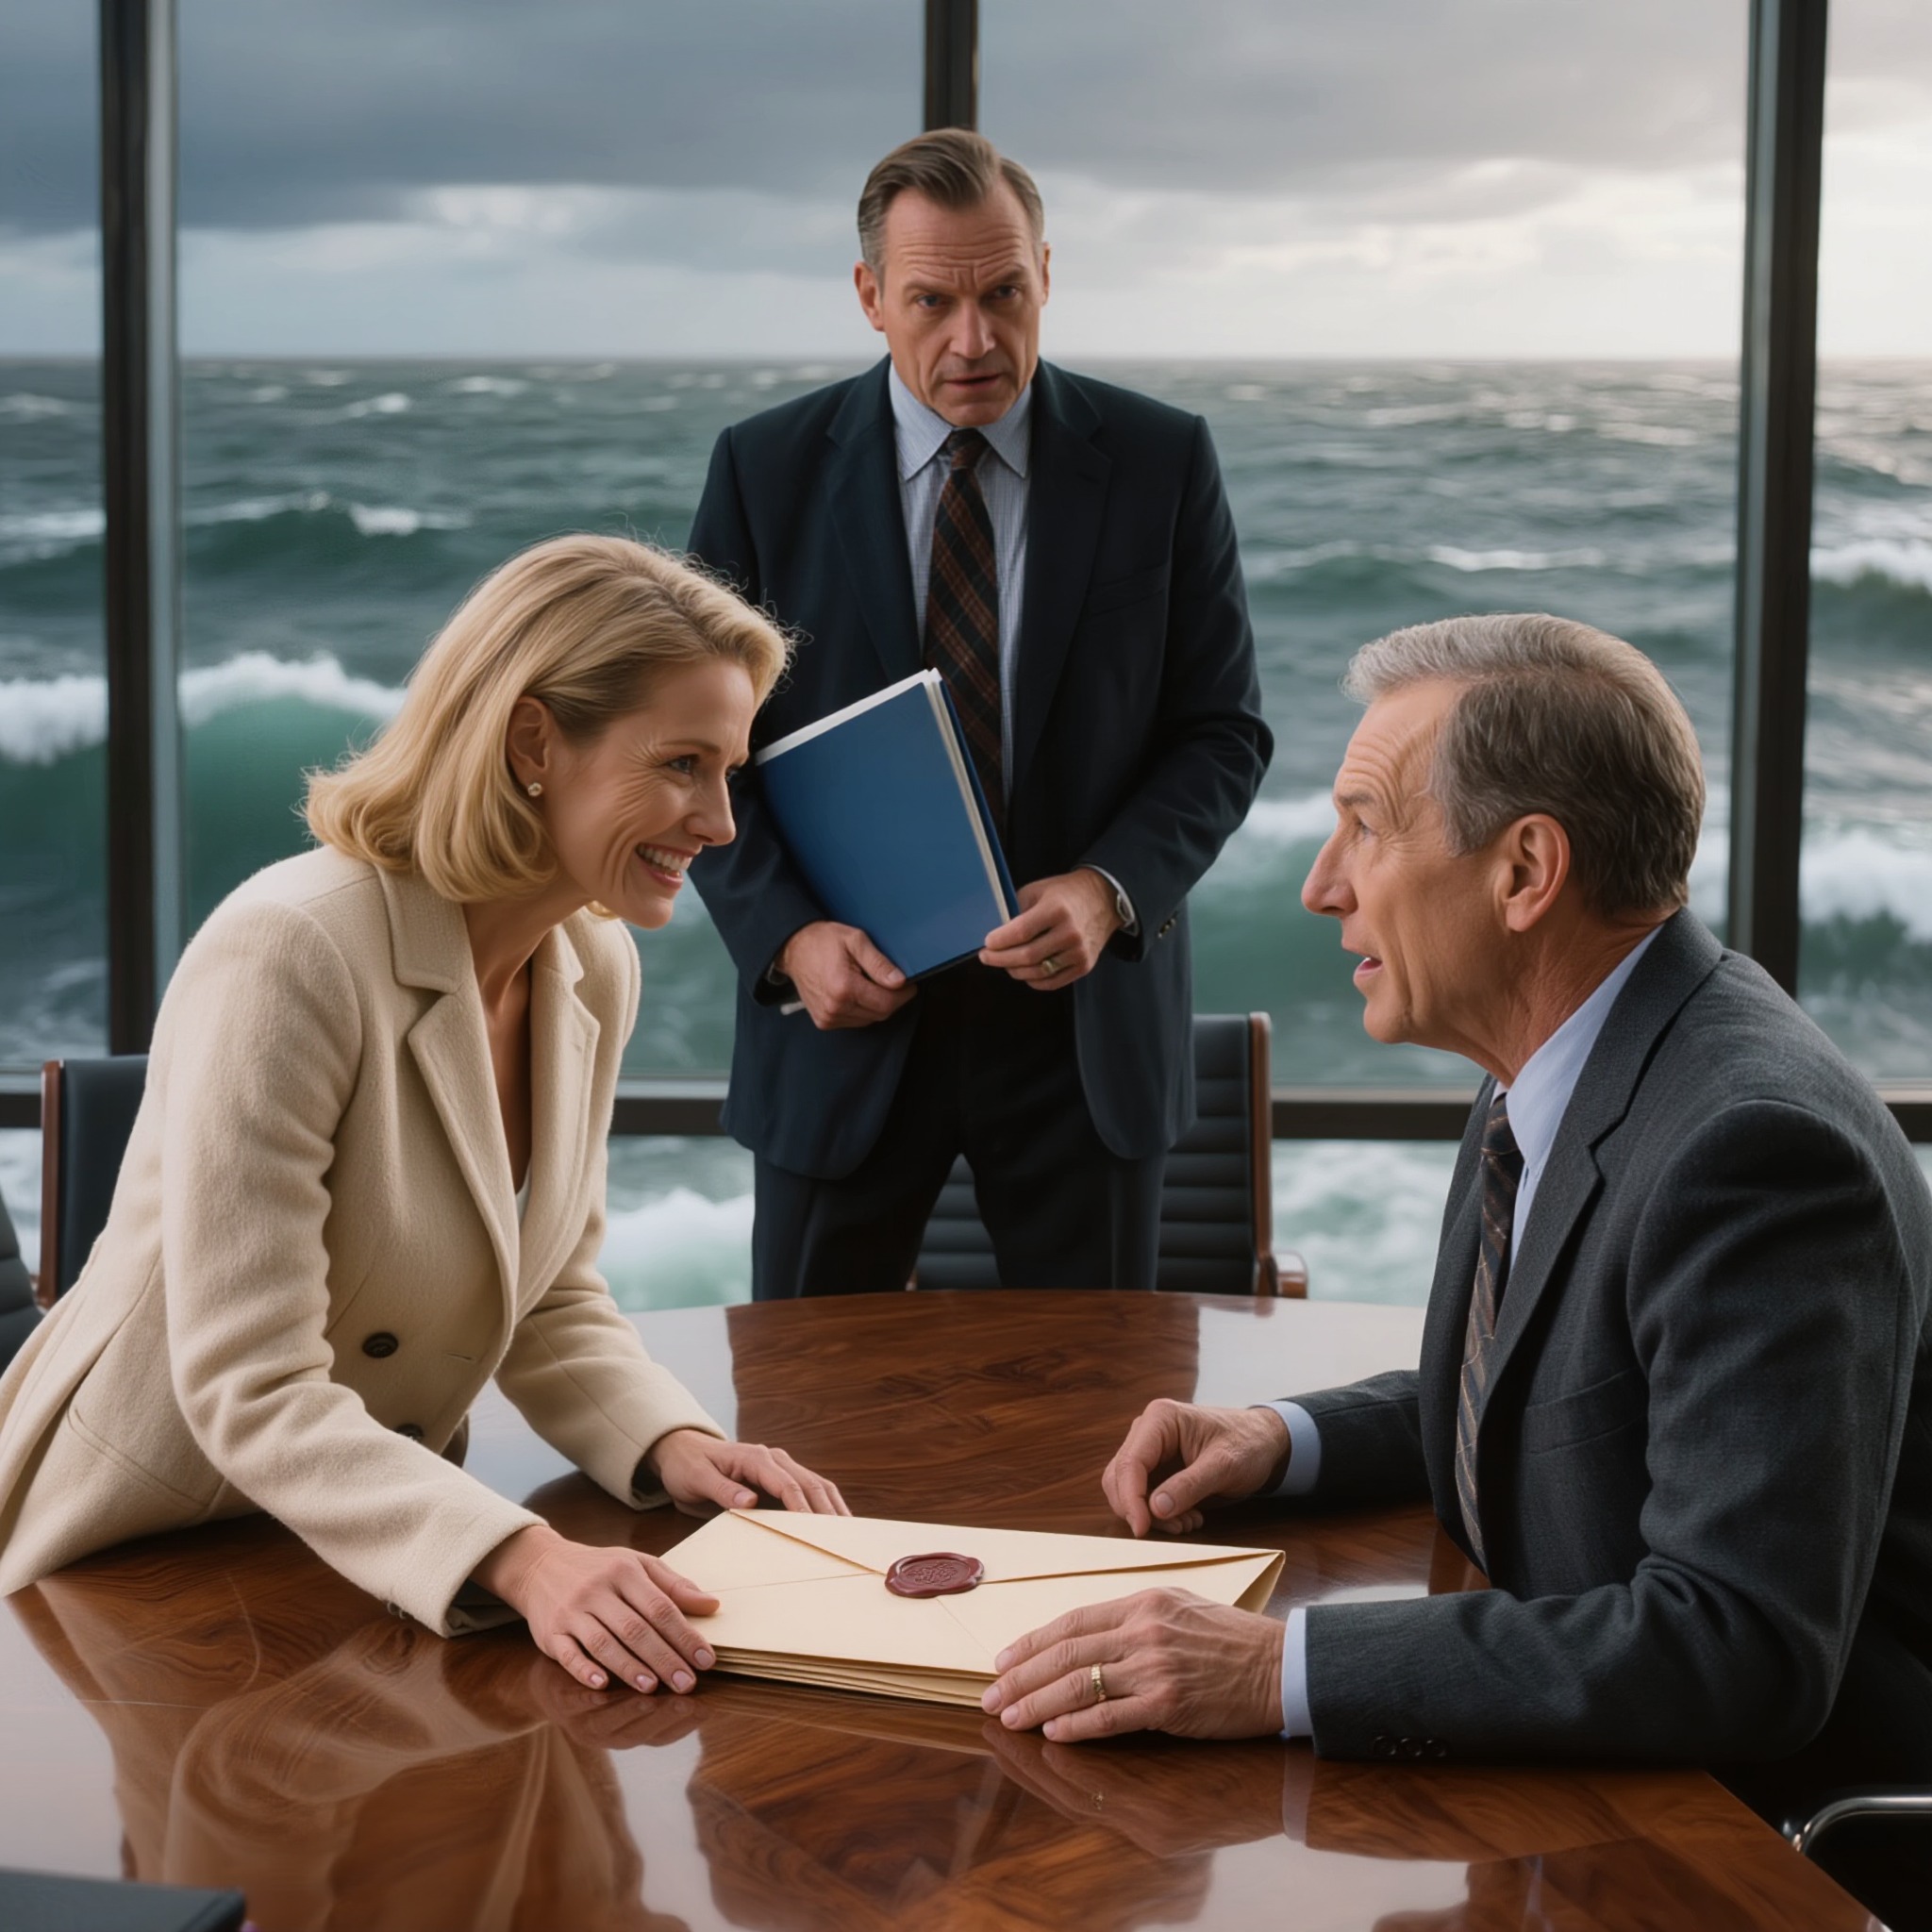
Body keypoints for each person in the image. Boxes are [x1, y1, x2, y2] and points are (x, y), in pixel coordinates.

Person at [983, 616, 1932, 1866]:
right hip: (1577, 1798)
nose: (1324, 883)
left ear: (1527, 871)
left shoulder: (1749, 1152)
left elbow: (1734, 1645)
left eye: (1366, 826)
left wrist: (1278, 1672)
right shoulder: (1570, 1055)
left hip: (1739, 1850)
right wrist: (1284, 1436)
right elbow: (1565, 1385)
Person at [0, 534, 849, 1700]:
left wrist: (673, 1442)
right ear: (534, 742)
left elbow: (544, 1289)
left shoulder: (590, 962)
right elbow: (251, 1387)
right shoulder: (291, 948)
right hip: (148, 1569)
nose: (720, 823)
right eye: (680, 765)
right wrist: (526, 1554)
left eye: (727, 771)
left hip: (376, 1539)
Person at [686, 129, 1272, 1298]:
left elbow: (1222, 730)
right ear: (869, 297)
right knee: (805, 1423)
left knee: (1097, 1431)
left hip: (1083, 1036)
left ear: (1045, 274)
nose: (973, 338)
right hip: (842, 1026)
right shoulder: (764, 471)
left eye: (1004, 292)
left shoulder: (1161, 461)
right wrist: (790, 939)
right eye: (931, 299)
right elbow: (703, 754)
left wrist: (1109, 890)